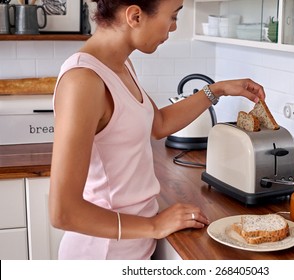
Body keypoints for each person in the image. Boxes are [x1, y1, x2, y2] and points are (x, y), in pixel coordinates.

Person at [49, 0, 265, 260]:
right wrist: (154, 225)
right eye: (173, 16)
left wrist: (217, 89)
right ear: (135, 16)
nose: (173, 27)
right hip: (102, 255)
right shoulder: (83, 81)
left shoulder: (120, 65)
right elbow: (63, 212)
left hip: (133, 249)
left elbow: (158, 123)